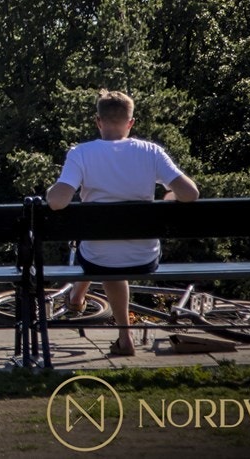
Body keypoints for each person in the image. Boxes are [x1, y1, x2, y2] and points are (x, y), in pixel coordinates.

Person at [46, 90, 199, 357]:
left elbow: (57, 201)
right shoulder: (151, 152)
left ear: (98, 121)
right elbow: (190, 194)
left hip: (98, 256)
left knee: (99, 253)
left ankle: (119, 331)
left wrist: (51, 191)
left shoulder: (80, 154)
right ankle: (83, 303)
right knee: (108, 252)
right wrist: (169, 197)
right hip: (145, 255)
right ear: (131, 123)